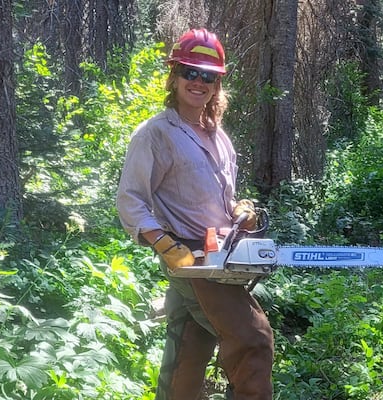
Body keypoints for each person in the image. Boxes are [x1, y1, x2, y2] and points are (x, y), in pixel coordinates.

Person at [116, 28, 274, 400]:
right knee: (253, 341)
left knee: (189, 342)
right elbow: (130, 199)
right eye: (190, 72)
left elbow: (221, 196)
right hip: (191, 257)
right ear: (174, 76)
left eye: (208, 76)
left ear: (218, 83)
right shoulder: (155, 133)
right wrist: (163, 243)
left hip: (221, 252)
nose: (198, 82)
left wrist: (240, 209)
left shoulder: (218, 135)